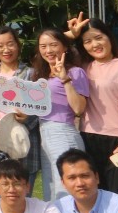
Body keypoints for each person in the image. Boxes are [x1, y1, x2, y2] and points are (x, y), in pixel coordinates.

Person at [74, 19, 118, 197]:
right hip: (88, 138)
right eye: (87, 41)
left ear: (109, 37)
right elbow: (54, 48)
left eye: (98, 38)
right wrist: (72, 34)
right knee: (93, 195)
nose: (95, 45)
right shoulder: (82, 68)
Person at [30, 27, 91, 201]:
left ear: (65, 47)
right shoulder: (40, 75)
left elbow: (79, 108)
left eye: (54, 45)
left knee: (66, 188)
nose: (48, 50)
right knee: (51, 190)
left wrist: (65, 79)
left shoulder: (75, 72)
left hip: (63, 133)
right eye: (43, 46)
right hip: (44, 134)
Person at [0, 26, 39, 184]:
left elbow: (41, 110)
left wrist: (28, 118)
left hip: (22, 137)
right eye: (0, 45)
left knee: (22, 186)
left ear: (18, 45)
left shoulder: (32, 74)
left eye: (10, 44)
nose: (6, 49)